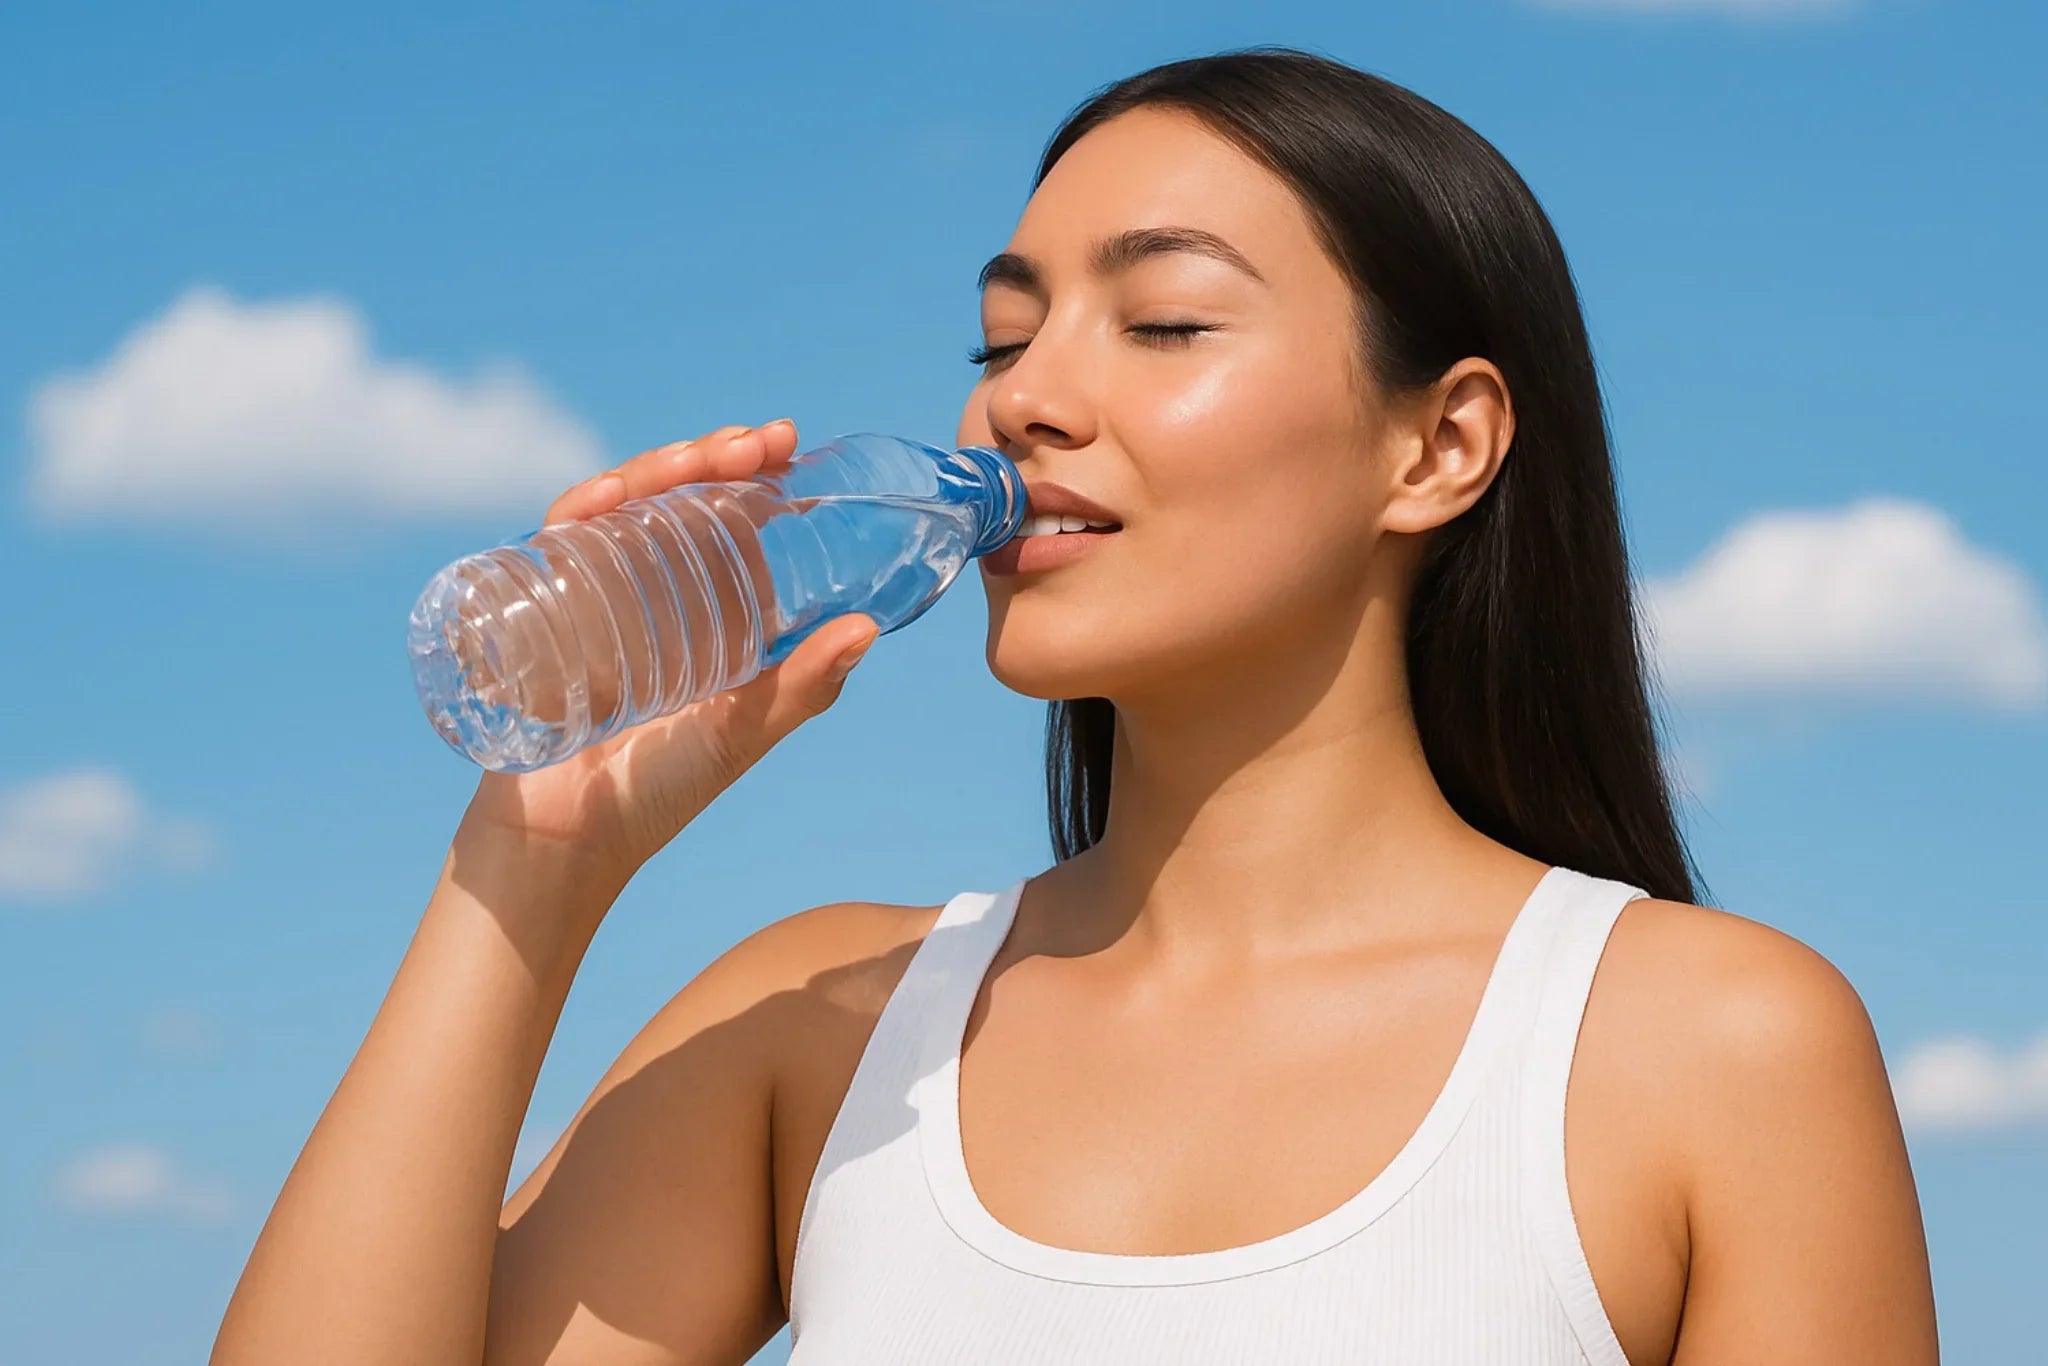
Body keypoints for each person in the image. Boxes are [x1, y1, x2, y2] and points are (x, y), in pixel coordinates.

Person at [212, 46, 1939, 1366]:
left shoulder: (1707, 1050)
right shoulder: (823, 1032)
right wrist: (529, 871)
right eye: (999, 340)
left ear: (1441, 445)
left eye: (1166, 321)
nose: (1025, 400)